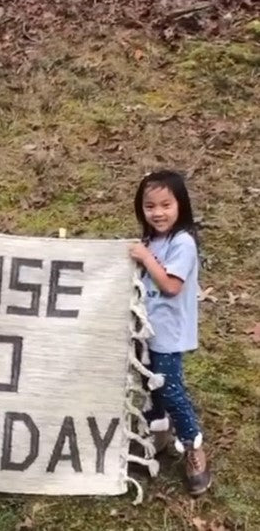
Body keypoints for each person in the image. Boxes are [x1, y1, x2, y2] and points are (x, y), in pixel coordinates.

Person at [128, 170, 212, 496]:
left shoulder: (182, 242)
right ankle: (158, 438)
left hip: (168, 333)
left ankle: (194, 448)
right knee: (151, 388)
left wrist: (145, 258)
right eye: (150, 206)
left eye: (166, 204)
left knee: (171, 391)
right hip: (144, 332)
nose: (158, 212)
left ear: (181, 205)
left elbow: (171, 286)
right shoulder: (150, 241)